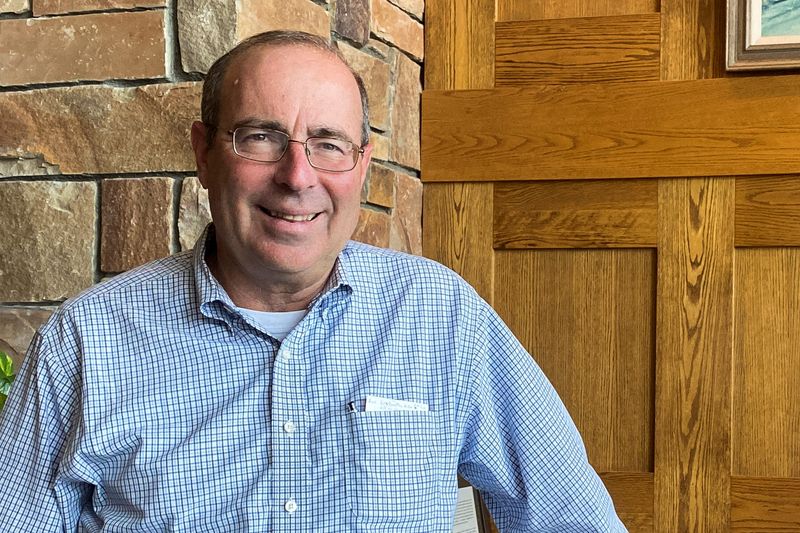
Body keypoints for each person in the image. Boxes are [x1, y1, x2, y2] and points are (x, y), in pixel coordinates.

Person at [0, 30, 626, 531]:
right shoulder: (86, 342)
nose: (297, 175)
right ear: (203, 152)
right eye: (262, 138)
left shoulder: (442, 316)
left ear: (363, 167)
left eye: (328, 143)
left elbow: (573, 518)